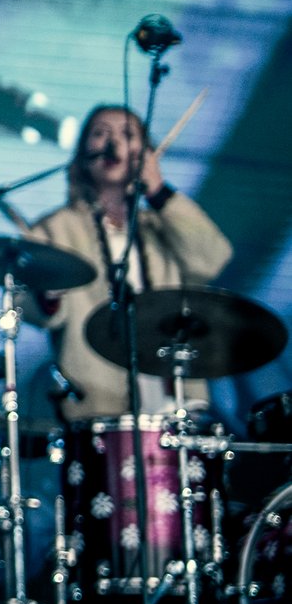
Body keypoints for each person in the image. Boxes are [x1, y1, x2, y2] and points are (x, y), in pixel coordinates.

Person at [25, 104, 233, 420]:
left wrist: (160, 192)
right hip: (98, 410)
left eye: (126, 134)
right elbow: (28, 305)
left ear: (145, 153)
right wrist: (49, 295)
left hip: (175, 404)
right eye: (99, 133)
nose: (112, 143)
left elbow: (212, 258)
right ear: (83, 153)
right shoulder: (54, 229)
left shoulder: (160, 225)